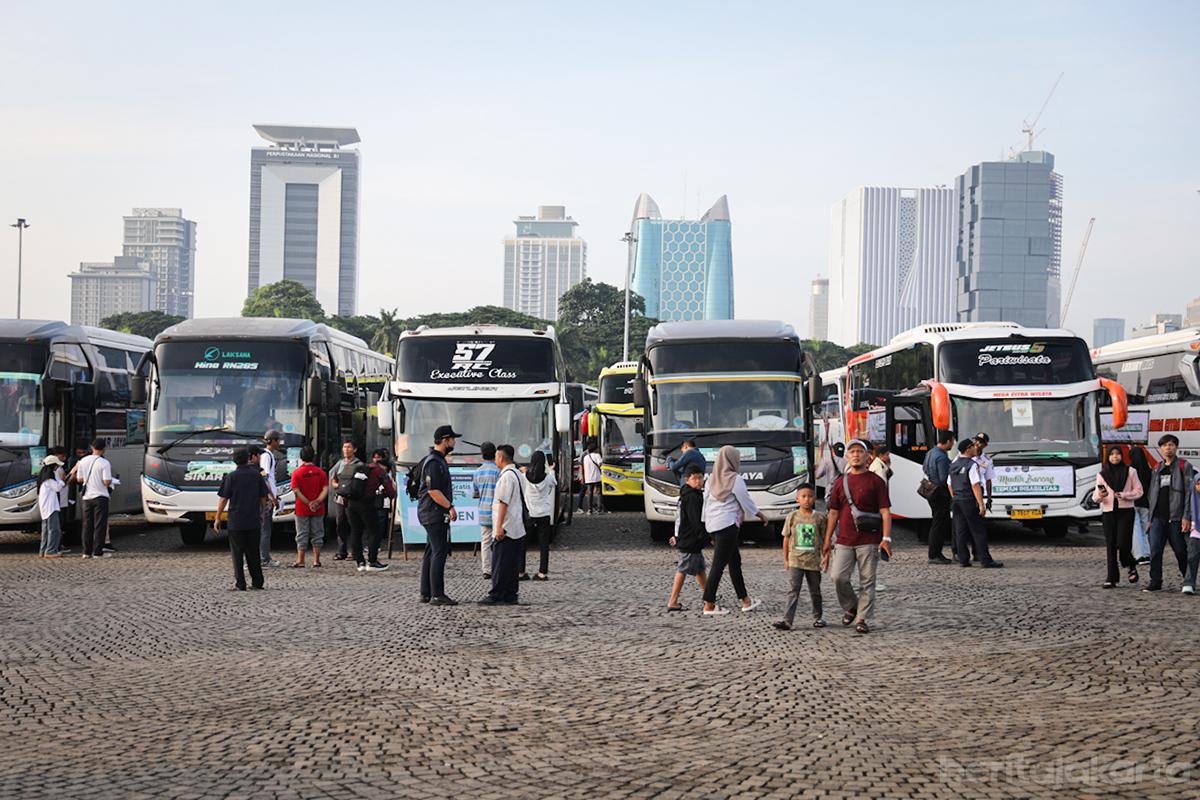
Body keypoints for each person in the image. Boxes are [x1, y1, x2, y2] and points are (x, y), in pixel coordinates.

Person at [822, 439, 892, 634]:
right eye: (851, 451)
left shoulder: (876, 481)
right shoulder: (840, 482)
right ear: (847, 456)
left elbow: (885, 511)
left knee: (867, 581)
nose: (855, 454)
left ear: (867, 456)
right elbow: (833, 513)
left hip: (869, 539)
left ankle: (862, 618)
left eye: (859, 451)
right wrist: (827, 540)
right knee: (838, 577)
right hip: (844, 539)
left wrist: (886, 539)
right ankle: (852, 606)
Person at [700, 445, 766, 616]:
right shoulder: (735, 480)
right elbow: (746, 501)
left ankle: (745, 600)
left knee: (734, 562)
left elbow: (705, 504)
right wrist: (760, 515)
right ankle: (709, 604)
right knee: (718, 565)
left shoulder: (711, 479)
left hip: (714, 525)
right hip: (728, 525)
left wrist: (706, 527)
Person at [1143, 434, 1195, 593]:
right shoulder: (1157, 468)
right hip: (1158, 517)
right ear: (1160, 449)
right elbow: (1152, 493)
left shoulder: (1184, 466)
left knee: (1180, 550)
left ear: (1176, 447)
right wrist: (1150, 518)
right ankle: (1155, 581)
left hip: (1176, 517)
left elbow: (1189, 492)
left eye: (1171, 445)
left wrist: (1186, 516)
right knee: (1155, 550)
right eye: (1165, 445)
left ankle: (1189, 580)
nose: (1168, 448)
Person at [773, 483, 826, 631]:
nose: (807, 499)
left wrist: (826, 557)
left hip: (813, 562)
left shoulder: (820, 518)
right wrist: (786, 559)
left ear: (814, 498)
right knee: (793, 590)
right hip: (795, 560)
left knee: (815, 591)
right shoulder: (792, 517)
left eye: (810, 496)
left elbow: (824, 539)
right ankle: (787, 620)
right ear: (797, 499)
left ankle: (818, 617)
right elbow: (786, 538)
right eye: (803, 496)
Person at [214, 449, 268, 591]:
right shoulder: (256, 475)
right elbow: (263, 496)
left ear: (234, 461)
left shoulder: (231, 477)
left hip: (236, 520)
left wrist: (218, 517)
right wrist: (261, 513)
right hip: (253, 519)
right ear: (248, 458)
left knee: (237, 553)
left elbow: (223, 499)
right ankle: (257, 582)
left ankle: (241, 583)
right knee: (253, 552)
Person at [418, 425, 460, 605]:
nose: (454, 442)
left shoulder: (436, 459)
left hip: (430, 513)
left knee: (431, 551)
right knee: (439, 552)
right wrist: (450, 507)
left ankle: (426, 592)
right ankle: (437, 594)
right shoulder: (434, 462)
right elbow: (434, 491)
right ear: (445, 440)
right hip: (434, 513)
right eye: (453, 439)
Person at [479, 444, 526, 605]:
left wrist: (498, 527)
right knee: (512, 564)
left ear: (500, 457)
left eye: (497, 457)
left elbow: (503, 503)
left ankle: (497, 593)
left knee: (499, 562)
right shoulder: (518, 474)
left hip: (506, 526)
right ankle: (510, 594)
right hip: (516, 525)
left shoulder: (506, 477)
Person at [947, 439, 1003, 569]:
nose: (975, 448)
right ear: (967, 449)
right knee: (978, 531)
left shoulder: (954, 464)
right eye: (973, 446)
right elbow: (975, 485)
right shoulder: (971, 464)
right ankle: (985, 560)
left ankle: (963, 559)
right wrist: (981, 504)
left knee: (960, 530)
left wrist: (955, 497)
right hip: (969, 500)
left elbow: (949, 484)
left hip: (957, 500)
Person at [1095, 446, 1143, 588]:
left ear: (1122, 456)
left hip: (1126, 511)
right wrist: (1100, 495)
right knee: (1110, 546)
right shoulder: (1102, 474)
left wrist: (1126, 495)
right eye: (1112, 454)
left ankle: (1130, 564)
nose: (1115, 457)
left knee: (1122, 543)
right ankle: (1112, 578)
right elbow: (1095, 496)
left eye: (1117, 454)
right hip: (1108, 512)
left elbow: (1139, 491)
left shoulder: (1131, 471)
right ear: (1108, 457)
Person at [666, 464, 708, 611]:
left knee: (699, 568)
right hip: (690, 539)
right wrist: (705, 535)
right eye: (695, 478)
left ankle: (708, 596)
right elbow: (694, 519)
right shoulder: (691, 496)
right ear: (687, 479)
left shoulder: (687, 494)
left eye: (700, 477)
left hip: (689, 538)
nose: (698, 481)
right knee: (683, 569)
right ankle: (672, 601)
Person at [347, 451, 390, 573]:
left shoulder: (360, 468)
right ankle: (372, 561)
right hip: (366, 504)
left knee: (356, 532)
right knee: (374, 531)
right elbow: (390, 490)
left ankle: (360, 562)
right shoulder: (379, 471)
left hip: (351, 503)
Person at [289, 446, 328, 569]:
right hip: (318, 508)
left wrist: (308, 503)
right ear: (314, 457)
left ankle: (301, 560)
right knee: (318, 533)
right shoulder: (321, 472)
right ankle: (316, 560)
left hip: (301, 508)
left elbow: (296, 491)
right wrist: (317, 502)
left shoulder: (296, 473)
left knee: (301, 534)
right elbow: (325, 489)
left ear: (301, 457)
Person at [74, 438, 113, 559]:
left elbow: (79, 479)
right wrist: (111, 481)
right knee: (99, 525)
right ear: (104, 449)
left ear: (92, 447)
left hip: (87, 497)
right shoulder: (104, 463)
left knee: (87, 525)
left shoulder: (83, 461)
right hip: (100, 496)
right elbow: (106, 482)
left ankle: (86, 552)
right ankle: (97, 552)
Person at [521, 450, 557, 581]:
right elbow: (554, 482)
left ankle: (521, 571)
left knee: (523, 543)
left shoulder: (525, 476)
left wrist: (524, 471)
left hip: (530, 514)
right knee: (544, 545)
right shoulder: (548, 478)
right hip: (544, 514)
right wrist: (551, 469)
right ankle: (542, 572)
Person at [923, 430, 955, 564]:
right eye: (952, 441)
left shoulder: (930, 452)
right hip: (940, 494)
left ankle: (935, 553)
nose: (953, 444)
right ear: (947, 441)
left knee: (936, 523)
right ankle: (935, 554)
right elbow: (944, 479)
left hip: (932, 492)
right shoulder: (942, 457)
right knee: (939, 525)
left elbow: (924, 468)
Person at [471, 442, 500, 579]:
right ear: (495, 454)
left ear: (482, 455)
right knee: (499, 540)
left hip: (483, 511)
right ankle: (498, 567)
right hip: (498, 512)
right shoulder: (499, 471)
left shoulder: (477, 472)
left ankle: (486, 570)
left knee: (485, 541)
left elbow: (475, 493)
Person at [258, 430, 285, 569]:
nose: (279, 443)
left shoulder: (268, 455)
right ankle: (264, 559)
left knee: (265, 530)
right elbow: (265, 477)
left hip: (269, 496)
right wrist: (271, 496)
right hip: (267, 498)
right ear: (273, 441)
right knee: (265, 530)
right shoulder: (267, 456)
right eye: (278, 440)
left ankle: (264, 557)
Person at [329, 442, 359, 560]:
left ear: (354, 449)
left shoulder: (358, 464)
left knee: (354, 525)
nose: (346, 449)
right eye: (345, 447)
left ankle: (355, 551)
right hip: (340, 499)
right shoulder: (339, 464)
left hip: (354, 499)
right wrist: (338, 486)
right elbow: (333, 479)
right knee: (340, 524)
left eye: (349, 447)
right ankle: (341, 550)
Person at [370, 448, 397, 561]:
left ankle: (376, 546)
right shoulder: (372, 472)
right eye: (375, 457)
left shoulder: (388, 474)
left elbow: (392, 489)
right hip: (374, 501)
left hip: (384, 501)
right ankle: (373, 549)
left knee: (381, 522)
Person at [37, 455, 66, 558]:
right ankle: (51, 550)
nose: (57, 468)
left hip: (46, 507)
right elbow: (57, 488)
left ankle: (43, 550)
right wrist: (62, 479)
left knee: (45, 530)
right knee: (54, 529)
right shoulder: (49, 478)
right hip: (50, 507)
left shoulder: (43, 476)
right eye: (56, 466)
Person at [1129, 447, 1153, 564]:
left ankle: (1139, 554)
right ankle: (1148, 553)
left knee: (1135, 529)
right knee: (1145, 529)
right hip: (1146, 504)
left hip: (1133, 502)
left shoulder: (1130, 471)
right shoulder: (1149, 470)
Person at [973, 433, 996, 513]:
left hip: (978, 490)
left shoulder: (987, 460)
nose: (977, 443)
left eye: (980, 442)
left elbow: (988, 480)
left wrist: (989, 499)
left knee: (977, 515)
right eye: (976, 440)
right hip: (965, 490)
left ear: (985, 445)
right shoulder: (965, 455)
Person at [1184, 478, 1200, 594]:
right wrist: (1187, 518)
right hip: (1197, 529)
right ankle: (1189, 582)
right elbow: (1189, 505)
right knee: (1192, 557)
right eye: (1198, 484)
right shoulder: (1193, 496)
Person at [578, 442, 602, 514]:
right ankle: (599, 509)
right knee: (599, 493)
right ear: (595, 449)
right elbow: (600, 464)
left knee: (590, 494)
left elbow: (583, 467)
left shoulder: (586, 457)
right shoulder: (597, 455)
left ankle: (590, 509)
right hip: (597, 477)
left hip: (588, 478)